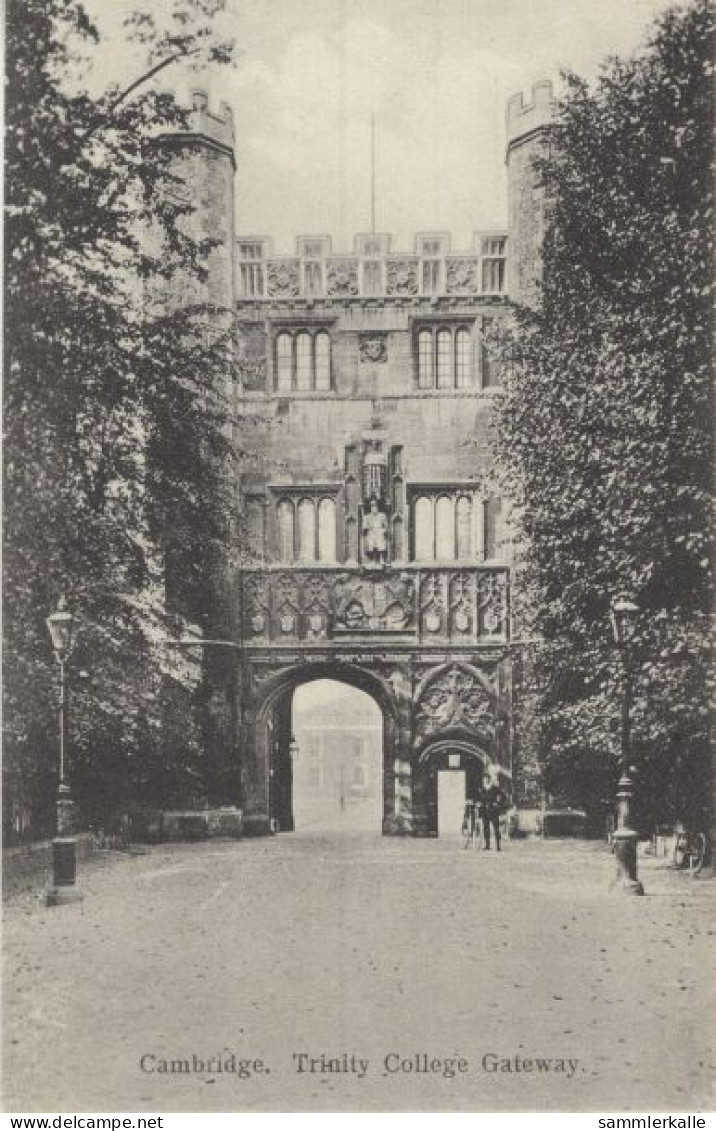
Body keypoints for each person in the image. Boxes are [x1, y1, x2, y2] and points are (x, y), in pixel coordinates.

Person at [479, 774, 508, 851]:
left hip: (493, 811)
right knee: (486, 828)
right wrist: (480, 804)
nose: (484, 781)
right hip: (485, 811)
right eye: (483, 780)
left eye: (486, 779)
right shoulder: (482, 789)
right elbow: (480, 799)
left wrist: (498, 803)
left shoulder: (495, 788)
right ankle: (487, 845)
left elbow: (503, 796)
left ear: (489, 779)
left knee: (496, 828)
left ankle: (498, 846)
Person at [362, 497, 388, 563]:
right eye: (372, 506)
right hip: (371, 532)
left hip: (380, 532)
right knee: (371, 540)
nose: (374, 508)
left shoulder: (382, 515)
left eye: (375, 506)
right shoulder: (367, 516)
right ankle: (374, 558)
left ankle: (382, 558)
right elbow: (364, 526)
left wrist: (383, 530)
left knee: (380, 539)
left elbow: (385, 525)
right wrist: (367, 527)